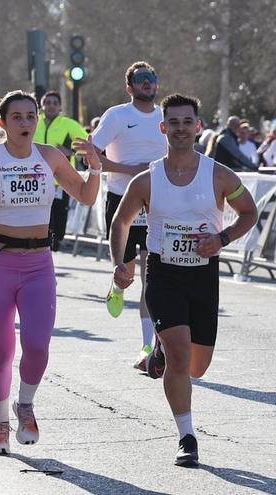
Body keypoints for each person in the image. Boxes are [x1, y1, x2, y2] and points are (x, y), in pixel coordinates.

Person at [0, 90, 102, 457]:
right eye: (16, 117)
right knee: (2, 352)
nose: (26, 123)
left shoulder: (49, 157)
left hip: (37, 267)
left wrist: (95, 167)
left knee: (37, 347)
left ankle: (25, 405)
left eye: (31, 116)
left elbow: (86, 195)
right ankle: (0, 423)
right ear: (2, 123)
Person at [108, 94, 257, 466]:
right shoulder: (147, 180)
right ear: (163, 128)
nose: (179, 128)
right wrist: (120, 264)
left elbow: (249, 212)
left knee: (197, 367)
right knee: (179, 358)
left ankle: (160, 349)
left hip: (204, 276)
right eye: (172, 122)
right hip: (163, 273)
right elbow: (120, 222)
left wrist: (221, 239)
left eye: (186, 122)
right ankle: (187, 437)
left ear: (197, 127)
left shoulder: (219, 175)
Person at [91, 61, 168, 370]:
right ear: (130, 87)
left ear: (157, 84)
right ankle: (118, 285)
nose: (147, 82)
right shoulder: (117, 116)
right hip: (122, 200)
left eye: (151, 78)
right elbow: (92, 156)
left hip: (156, 203)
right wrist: (130, 171)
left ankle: (148, 348)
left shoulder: (166, 117)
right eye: (141, 79)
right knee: (126, 272)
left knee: (153, 280)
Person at [33, 91, 89, 251]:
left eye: (54, 103)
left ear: (59, 106)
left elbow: (87, 145)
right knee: (43, 215)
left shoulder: (68, 124)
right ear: (42, 106)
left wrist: (70, 152)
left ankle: (55, 239)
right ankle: (44, 243)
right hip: (35, 179)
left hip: (60, 180)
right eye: (47, 103)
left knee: (59, 215)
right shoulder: (34, 123)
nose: (51, 106)